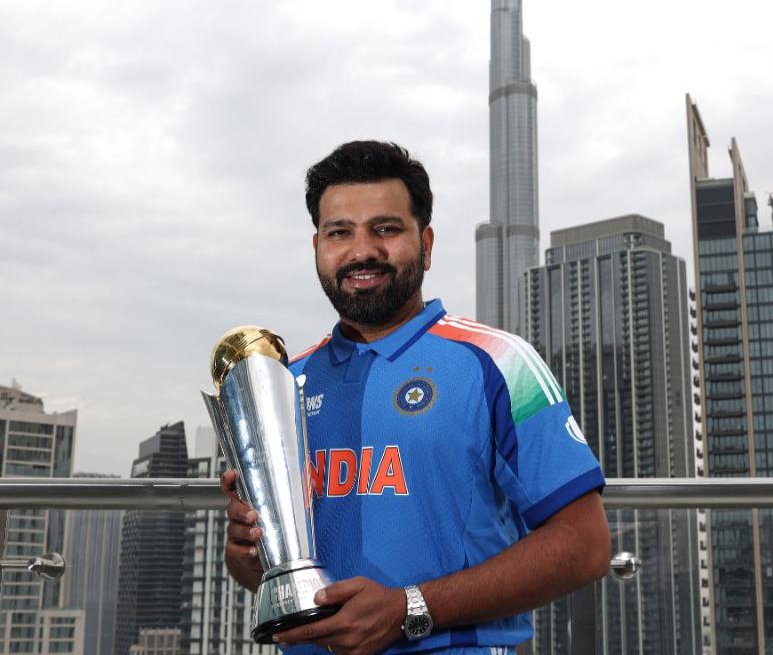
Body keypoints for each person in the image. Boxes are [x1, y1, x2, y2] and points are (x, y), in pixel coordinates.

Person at [222, 141, 611, 655]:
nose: (362, 251)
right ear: (317, 247)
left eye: (386, 229)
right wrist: (248, 553)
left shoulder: (498, 361)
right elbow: (265, 572)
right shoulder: (283, 384)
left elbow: (585, 546)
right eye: (340, 233)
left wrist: (409, 609)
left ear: (426, 244)